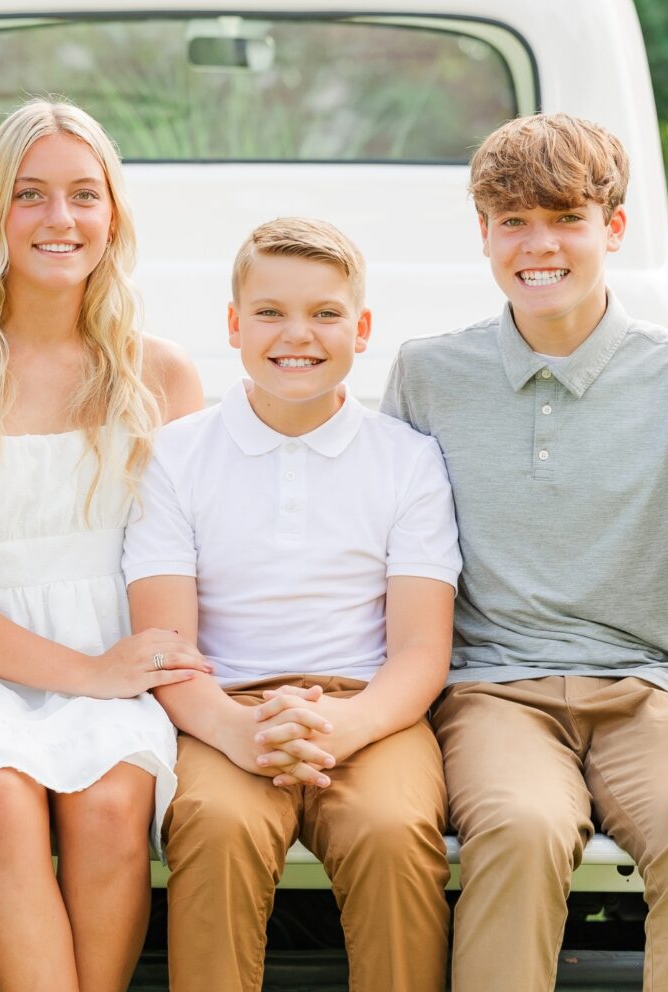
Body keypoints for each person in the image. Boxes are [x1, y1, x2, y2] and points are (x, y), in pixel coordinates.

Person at [384, 115, 668, 992]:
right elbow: (389, 561)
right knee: (521, 830)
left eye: (565, 217)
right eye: (512, 221)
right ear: (483, 234)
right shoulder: (426, 374)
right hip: (494, 692)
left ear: (614, 228)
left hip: (654, 689)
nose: (539, 245)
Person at [0, 98, 205, 992]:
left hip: (115, 659)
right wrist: (85, 674)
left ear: (113, 215)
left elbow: (192, 561)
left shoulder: (162, 375)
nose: (60, 220)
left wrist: (117, 674)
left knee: (111, 802)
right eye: (31, 195)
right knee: (1, 798)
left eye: (84, 196)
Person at [124, 217, 460, 992]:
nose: (297, 335)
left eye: (326, 313)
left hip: (373, 708)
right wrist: (237, 731)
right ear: (234, 326)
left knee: (392, 830)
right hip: (221, 702)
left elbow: (419, 647)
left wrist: (349, 725)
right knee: (216, 824)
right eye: (270, 313)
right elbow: (167, 641)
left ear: (363, 328)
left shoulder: (407, 460)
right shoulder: (175, 456)